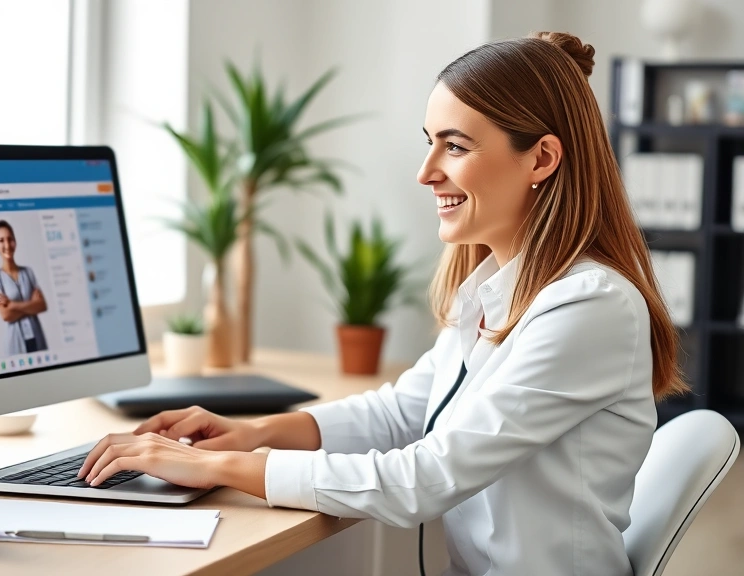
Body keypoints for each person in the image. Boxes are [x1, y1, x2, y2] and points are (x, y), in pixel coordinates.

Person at [77, 32, 687, 575]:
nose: (426, 172)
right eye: (430, 142)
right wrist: (252, 433)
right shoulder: (496, 290)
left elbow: (425, 477)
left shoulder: (590, 308)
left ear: (542, 159)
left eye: (455, 146)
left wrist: (222, 469)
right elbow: (402, 413)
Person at [0, 220, 48, 355]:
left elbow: (42, 305)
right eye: (1, 240)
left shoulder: (28, 272)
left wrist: (11, 304)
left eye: (10, 239)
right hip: (16, 344)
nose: (7, 245)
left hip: (37, 339)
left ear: (15, 241)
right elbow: (5, 314)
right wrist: (30, 305)